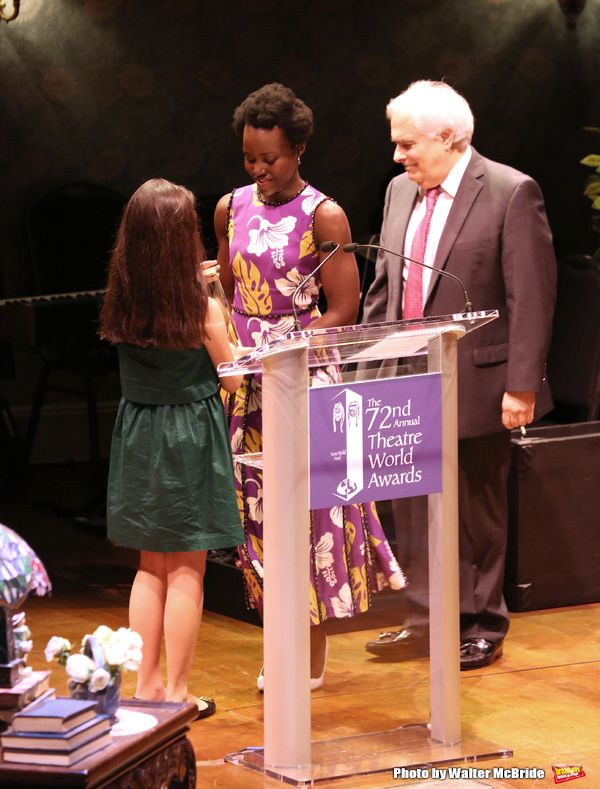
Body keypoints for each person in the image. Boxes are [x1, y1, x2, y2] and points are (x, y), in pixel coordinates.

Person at [212, 83, 406, 690]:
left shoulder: (324, 214)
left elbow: (343, 307)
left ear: (298, 149)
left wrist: (280, 348)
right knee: (257, 515)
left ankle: (310, 651)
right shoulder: (229, 207)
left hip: (302, 378)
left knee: (309, 515)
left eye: (269, 158)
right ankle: (280, 641)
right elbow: (226, 285)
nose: (258, 170)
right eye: (249, 158)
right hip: (244, 381)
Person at [361, 81, 557, 670]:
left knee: (476, 509)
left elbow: (532, 297)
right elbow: (384, 287)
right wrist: (366, 367)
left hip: (480, 381)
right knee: (411, 505)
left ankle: (480, 623)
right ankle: (426, 619)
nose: (397, 156)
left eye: (407, 144)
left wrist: (522, 385)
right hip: (406, 380)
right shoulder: (399, 192)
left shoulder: (509, 191)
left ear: (448, 137)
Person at [100, 178, 244, 717]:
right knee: (188, 567)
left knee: (148, 565)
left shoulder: (122, 302)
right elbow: (231, 379)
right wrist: (217, 298)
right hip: (188, 437)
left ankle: (147, 687)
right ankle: (180, 694)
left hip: (138, 434)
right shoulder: (200, 310)